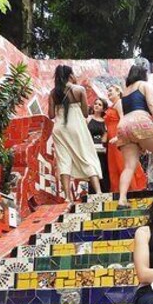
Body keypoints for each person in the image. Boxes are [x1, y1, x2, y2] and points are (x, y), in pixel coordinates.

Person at [115, 63, 153, 207]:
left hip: (123, 125)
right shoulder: (143, 85)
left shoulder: (125, 91)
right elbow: (152, 105)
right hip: (140, 121)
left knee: (129, 166)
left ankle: (122, 199)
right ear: (143, 74)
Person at [49, 65, 102, 202]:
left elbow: (50, 115)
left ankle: (67, 197)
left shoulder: (53, 93)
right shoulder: (79, 90)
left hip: (59, 129)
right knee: (86, 156)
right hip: (76, 127)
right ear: (71, 75)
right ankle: (98, 192)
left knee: (64, 161)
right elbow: (85, 113)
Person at [104, 84, 147, 194]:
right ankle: (120, 190)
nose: (108, 93)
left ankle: (131, 188)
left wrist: (118, 136)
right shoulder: (112, 105)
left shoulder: (119, 103)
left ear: (118, 92)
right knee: (115, 164)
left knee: (123, 163)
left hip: (118, 137)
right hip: (112, 140)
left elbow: (124, 119)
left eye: (110, 90)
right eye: (108, 91)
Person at [87, 97, 109, 191]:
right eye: (96, 103)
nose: (96, 106)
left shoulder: (105, 121)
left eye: (99, 104)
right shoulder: (88, 118)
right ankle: (92, 192)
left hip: (100, 150)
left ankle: (104, 191)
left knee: (102, 169)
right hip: (89, 148)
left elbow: (105, 138)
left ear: (103, 109)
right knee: (91, 170)